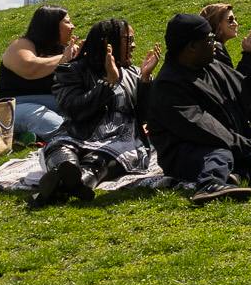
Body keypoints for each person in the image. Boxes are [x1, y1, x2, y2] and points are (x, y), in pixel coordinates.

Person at [144, 13, 251, 206]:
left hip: (230, 143)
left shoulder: (211, 66)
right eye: (209, 39)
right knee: (221, 153)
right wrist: (249, 151)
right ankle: (210, 185)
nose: (214, 43)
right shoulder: (169, 84)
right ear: (192, 46)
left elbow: (246, 94)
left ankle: (235, 176)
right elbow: (203, 127)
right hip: (190, 152)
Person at [30, 18, 161, 208]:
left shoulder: (133, 73)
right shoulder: (74, 70)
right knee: (60, 148)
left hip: (120, 139)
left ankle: (75, 183)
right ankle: (67, 173)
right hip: (78, 132)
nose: (134, 45)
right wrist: (107, 83)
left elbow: (145, 116)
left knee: (100, 159)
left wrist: (146, 80)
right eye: (128, 40)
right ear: (109, 43)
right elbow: (74, 110)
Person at [0, 6, 79, 142]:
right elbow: (30, 69)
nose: (72, 26)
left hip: (57, 105)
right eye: (67, 22)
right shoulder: (21, 45)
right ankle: (71, 141)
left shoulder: (63, 51)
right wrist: (64, 58)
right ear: (51, 26)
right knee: (48, 121)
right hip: (16, 107)